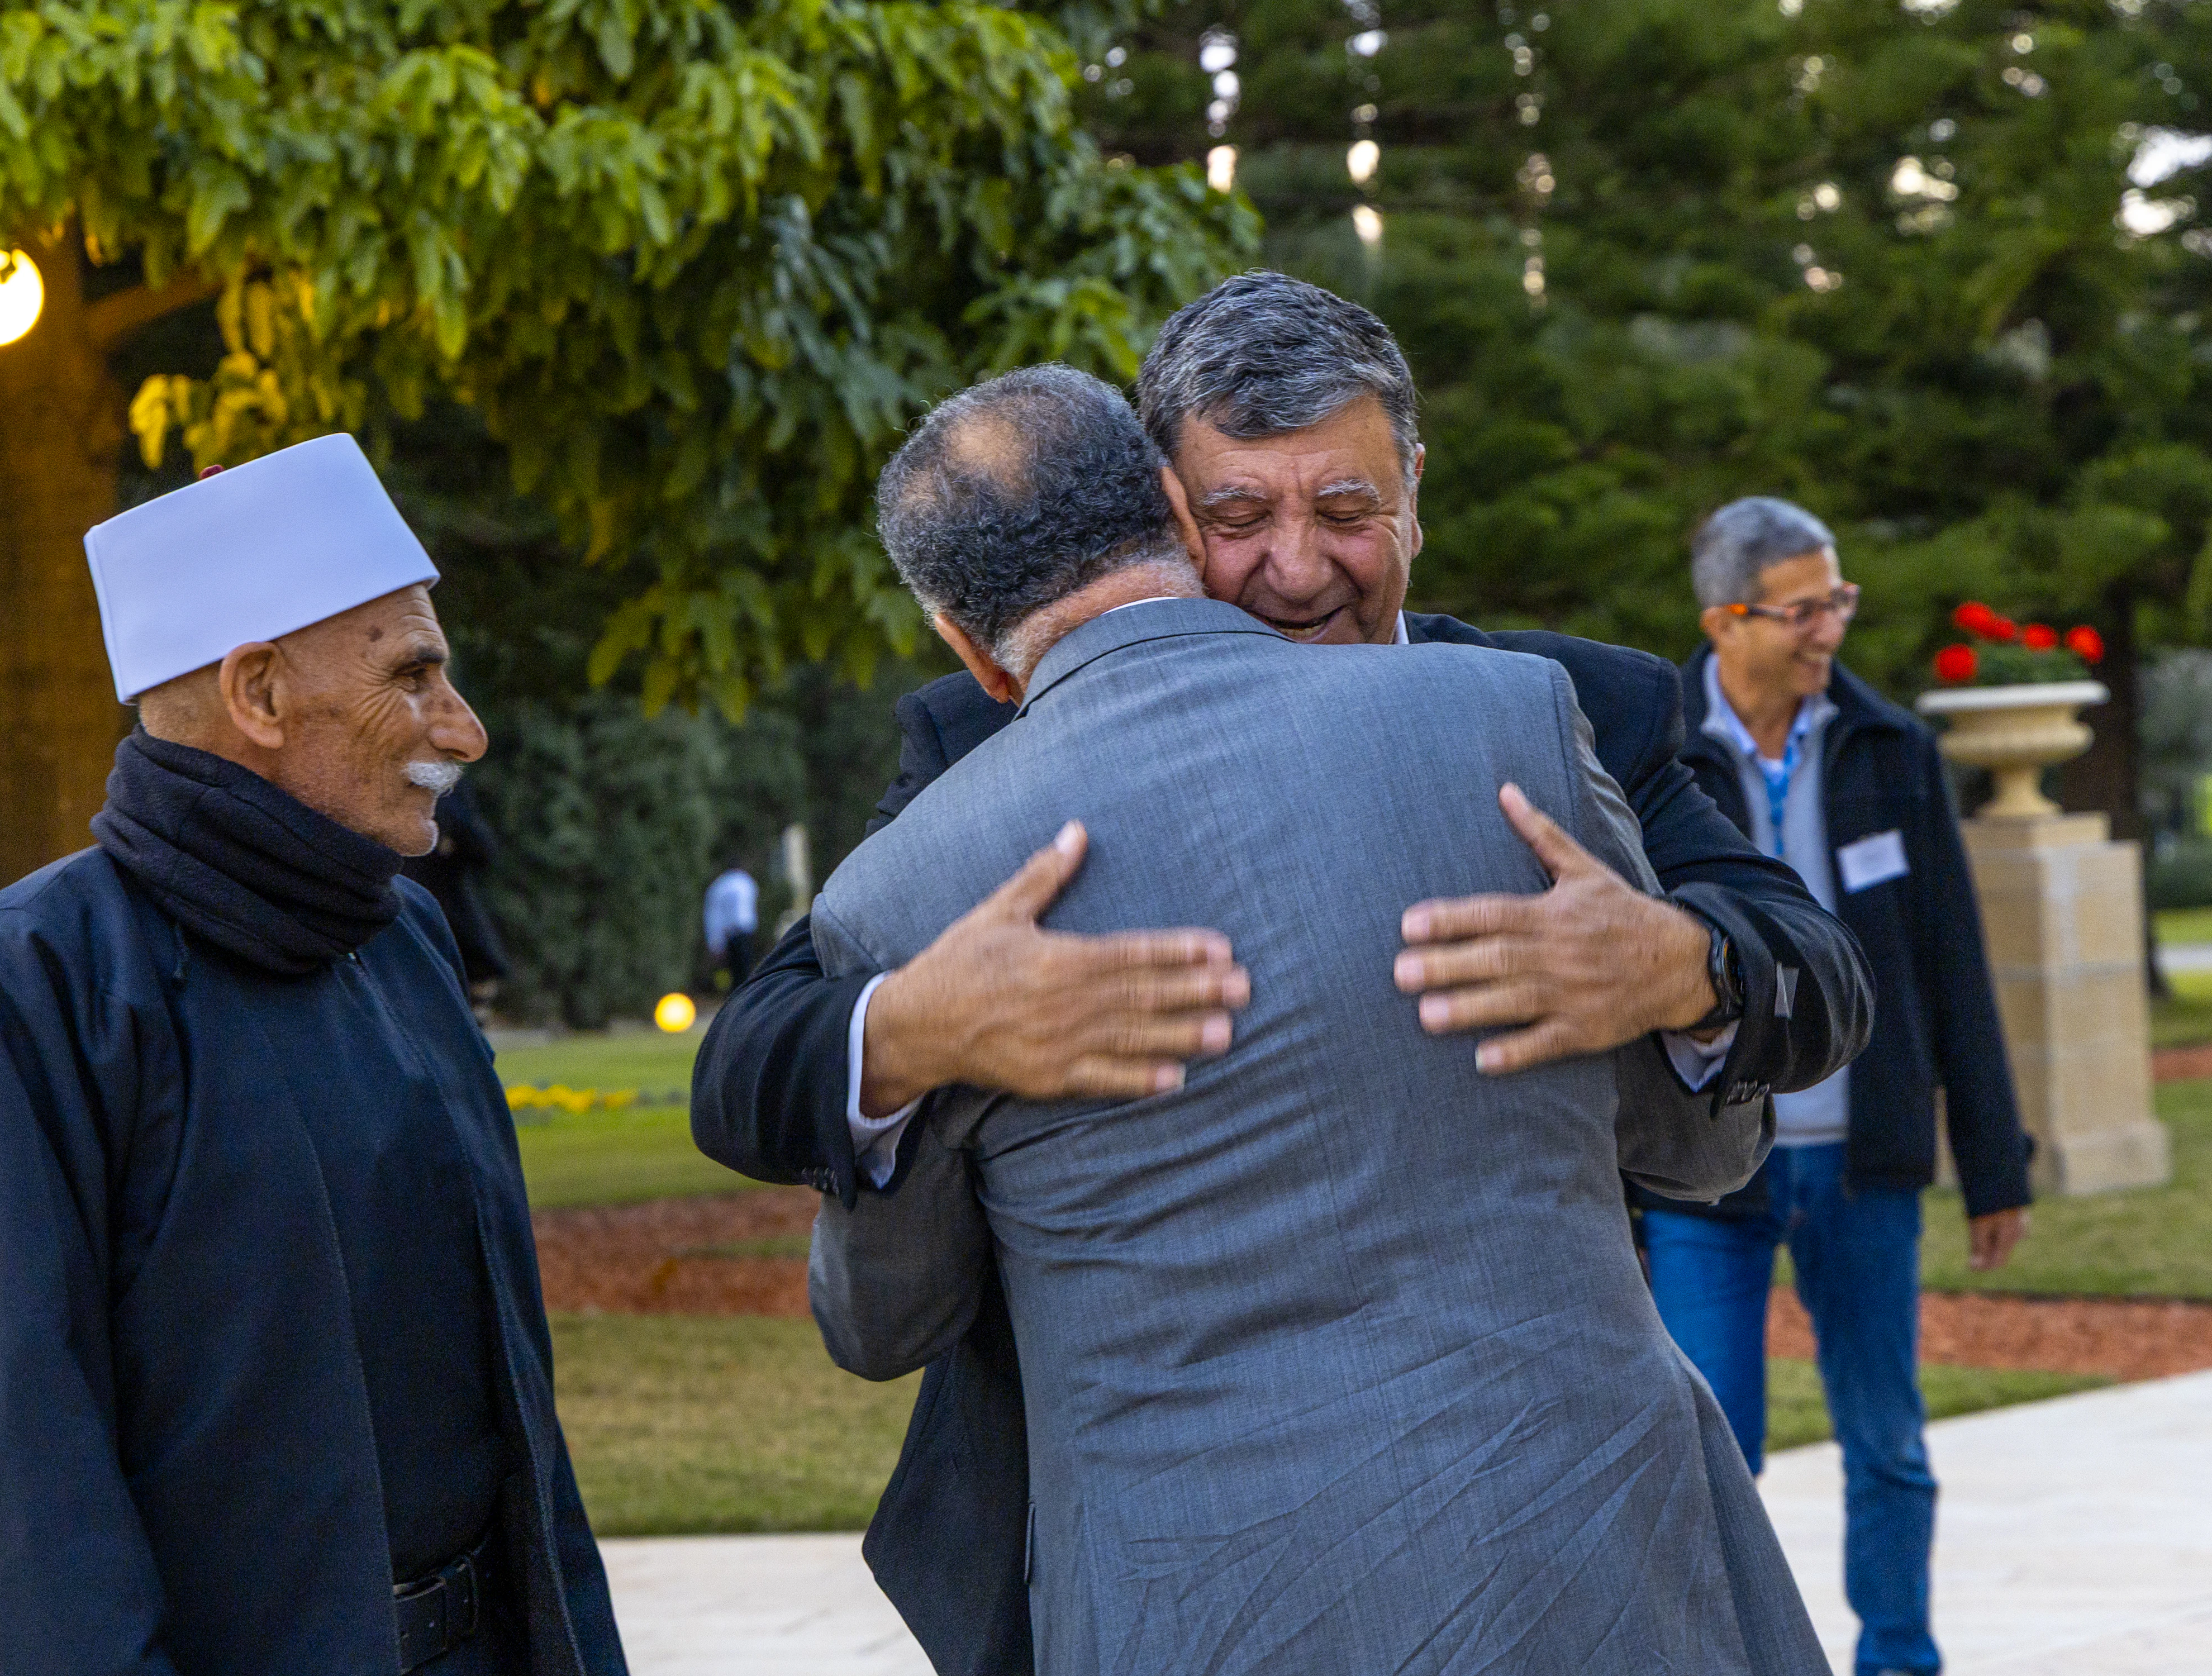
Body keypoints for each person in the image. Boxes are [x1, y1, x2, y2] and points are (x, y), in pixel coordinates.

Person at [691, 272, 1873, 1673]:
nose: (1297, 567)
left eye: (1345, 511)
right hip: (1156, 1534)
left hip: (1549, 1519)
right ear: (1160, 515)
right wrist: (910, 1028)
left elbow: (1814, 974)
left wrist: (1681, 967)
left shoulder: (1554, 707)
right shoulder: (973, 746)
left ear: (1414, 495)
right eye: (1237, 517)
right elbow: (751, 1056)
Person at [0, 435, 625, 1676]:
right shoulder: (18, 991)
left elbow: (512, 1414)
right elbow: (8, 1504)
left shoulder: (402, 934)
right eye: (414, 675)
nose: (463, 730)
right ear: (258, 694)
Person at [1647, 496, 2035, 1676]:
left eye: (1839, 600)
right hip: (1711, 1173)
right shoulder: (1652, 748)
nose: (1830, 627)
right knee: (1716, 1454)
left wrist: (1994, 1160)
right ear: (1726, 620)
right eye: (1805, 607)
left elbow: (1953, 965)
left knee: (1888, 1444)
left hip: (1863, 1164)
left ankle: (1901, 1662)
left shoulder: (1889, 748)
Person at [403, 779, 515, 1014]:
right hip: (407, 908)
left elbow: (483, 850)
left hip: (451, 907)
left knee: (480, 971)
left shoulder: (451, 788)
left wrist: (452, 834)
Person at [703, 862, 760, 993]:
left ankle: (732, 996)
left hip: (729, 935)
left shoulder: (719, 886)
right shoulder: (747, 882)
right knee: (745, 971)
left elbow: (714, 916)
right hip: (745, 933)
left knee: (731, 973)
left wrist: (715, 943)